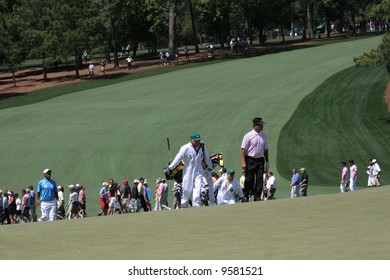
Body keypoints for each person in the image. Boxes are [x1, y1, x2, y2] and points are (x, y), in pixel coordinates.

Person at [168, 132, 213, 208]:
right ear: (191, 140)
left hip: (199, 169)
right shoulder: (185, 148)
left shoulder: (202, 146)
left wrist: (210, 166)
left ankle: (196, 204)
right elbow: (178, 158)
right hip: (188, 170)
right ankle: (184, 204)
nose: (198, 142)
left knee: (198, 187)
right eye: (196, 141)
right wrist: (171, 167)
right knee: (186, 188)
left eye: (198, 140)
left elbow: (207, 157)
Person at [241, 117, 269, 202]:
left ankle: (257, 196)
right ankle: (245, 195)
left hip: (260, 160)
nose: (261, 126)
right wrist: (243, 161)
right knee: (249, 179)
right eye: (259, 125)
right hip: (250, 159)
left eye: (261, 125)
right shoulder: (248, 135)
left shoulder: (263, 136)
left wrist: (267, 160)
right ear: (254, 125)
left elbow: (265, 149)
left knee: (260, 179)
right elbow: (243, 149)